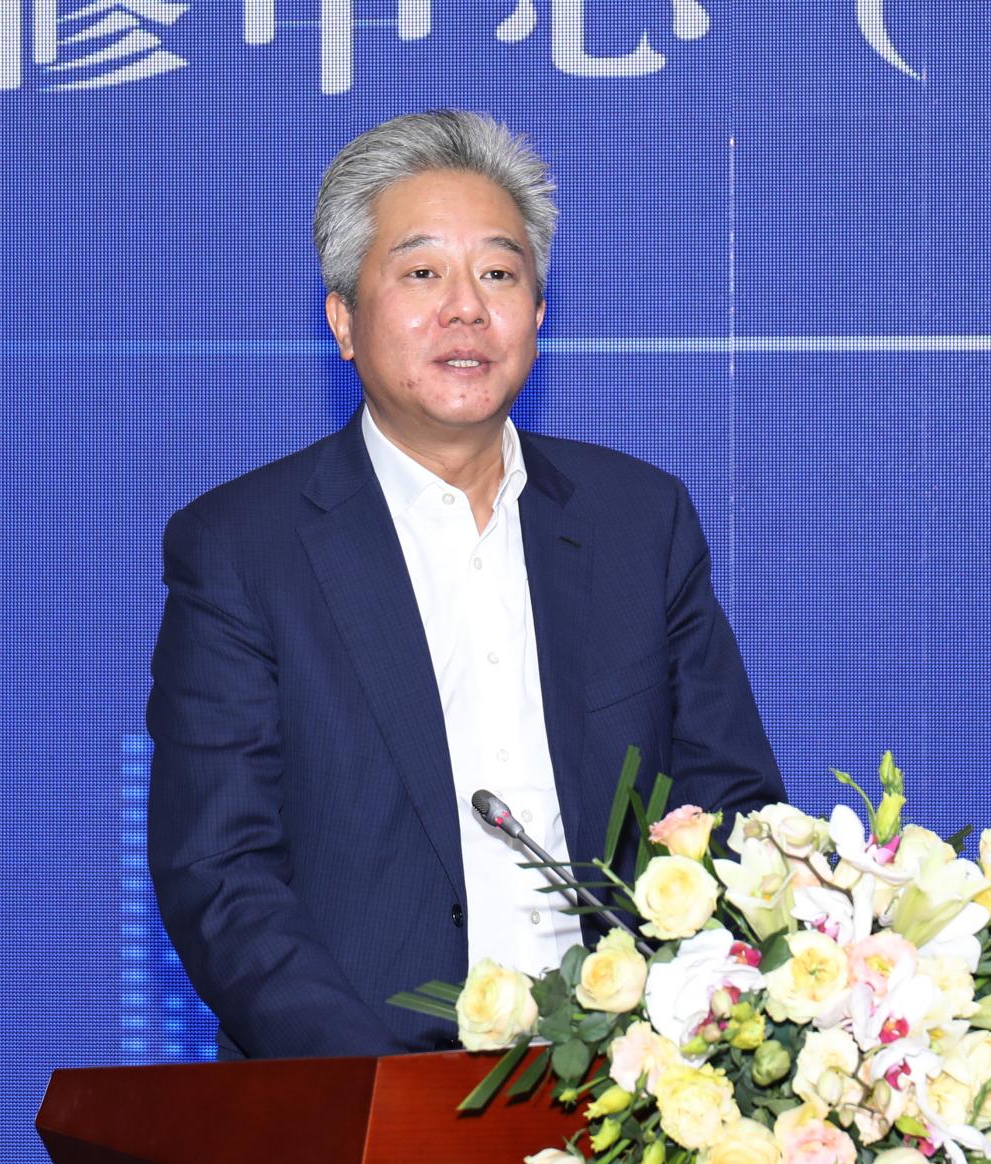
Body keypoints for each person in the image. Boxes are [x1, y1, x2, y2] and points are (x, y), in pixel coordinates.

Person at [146, 110, 784, 1060]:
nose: (465, 309)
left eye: (497, 273)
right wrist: (379, 1096)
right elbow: (219, 869)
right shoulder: (244, 548)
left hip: (628, 1094)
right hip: (359, 1099)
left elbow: (730, 806)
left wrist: (675, 1053)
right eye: (420, 273)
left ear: (538, 315)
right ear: (343, 320)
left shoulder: (637, 520)